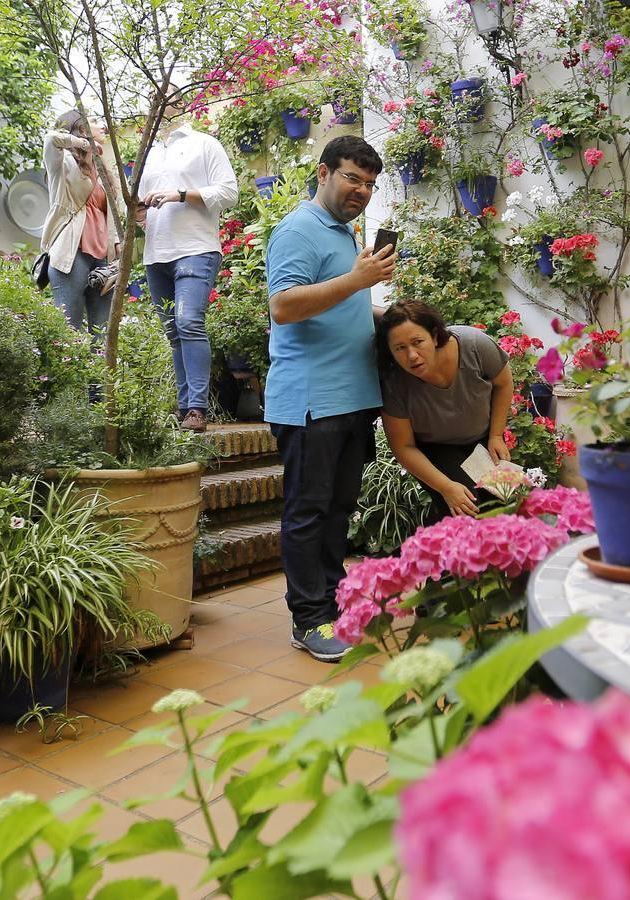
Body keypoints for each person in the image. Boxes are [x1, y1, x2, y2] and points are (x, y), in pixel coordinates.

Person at [265, 135, 396, 662]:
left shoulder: (345, 235)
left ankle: (333, 601)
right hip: (310, 401)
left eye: (369, 184)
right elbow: (284, 306)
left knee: (339, 508)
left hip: (352, 397)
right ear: (324, 173)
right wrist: (356, 279)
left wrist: (394, 321)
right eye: (351, 178)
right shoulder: (298, 229)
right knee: (308, 511)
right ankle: (309, 618)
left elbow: (345, 308)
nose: (361, 191)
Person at [138, 105, 238, 432]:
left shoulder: (204, 144)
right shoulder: (147, 152)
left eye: (168, 96)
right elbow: (137, 203)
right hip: (155, 253)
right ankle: (184, 410)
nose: (160, 101)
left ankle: (197, 408)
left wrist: (180, 195)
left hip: (195, 248)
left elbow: (228, 193)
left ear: (182, 103)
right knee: (173, 332)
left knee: (188, 321)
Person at [378, 299, 514, 519]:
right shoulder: (394, 382)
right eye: (400, 348)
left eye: (417, 342)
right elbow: (403, 447)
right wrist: (446, 487)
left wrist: (496, 435)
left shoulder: (474, 345)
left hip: (481, 439)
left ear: (434, 335)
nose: (411, 355)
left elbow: (504, 384)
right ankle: (434, 549)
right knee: (467, 506)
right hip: (433, 449)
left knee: (504, 503)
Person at [41, 111, 120, 336]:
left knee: (102, 334)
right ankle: (66, 373)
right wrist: (84, 144)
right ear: (80, 127)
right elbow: (51, 139)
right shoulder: (63, 162)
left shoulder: (101, 167)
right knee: (68, 332)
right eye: (94, 122)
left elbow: (108, 213)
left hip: (102, 260)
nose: (102, 125)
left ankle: (100, 373)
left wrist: (115, 243)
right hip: (71, 255)